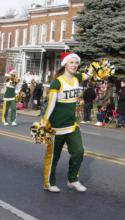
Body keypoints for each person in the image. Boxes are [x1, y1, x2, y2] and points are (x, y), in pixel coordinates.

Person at [42, 52, 89, 193]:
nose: (74, 65)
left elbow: (90, 74)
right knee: (53, 156)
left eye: (76, 63)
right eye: (71, 62)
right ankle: (48, 183)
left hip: (72, 125)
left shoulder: (77, 78)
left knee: (79, 151)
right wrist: (45, 122)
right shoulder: (57, 82)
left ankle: (72, 179)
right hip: (56, 126)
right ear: (65, 64)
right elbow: (50, 104)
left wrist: (100, 69)